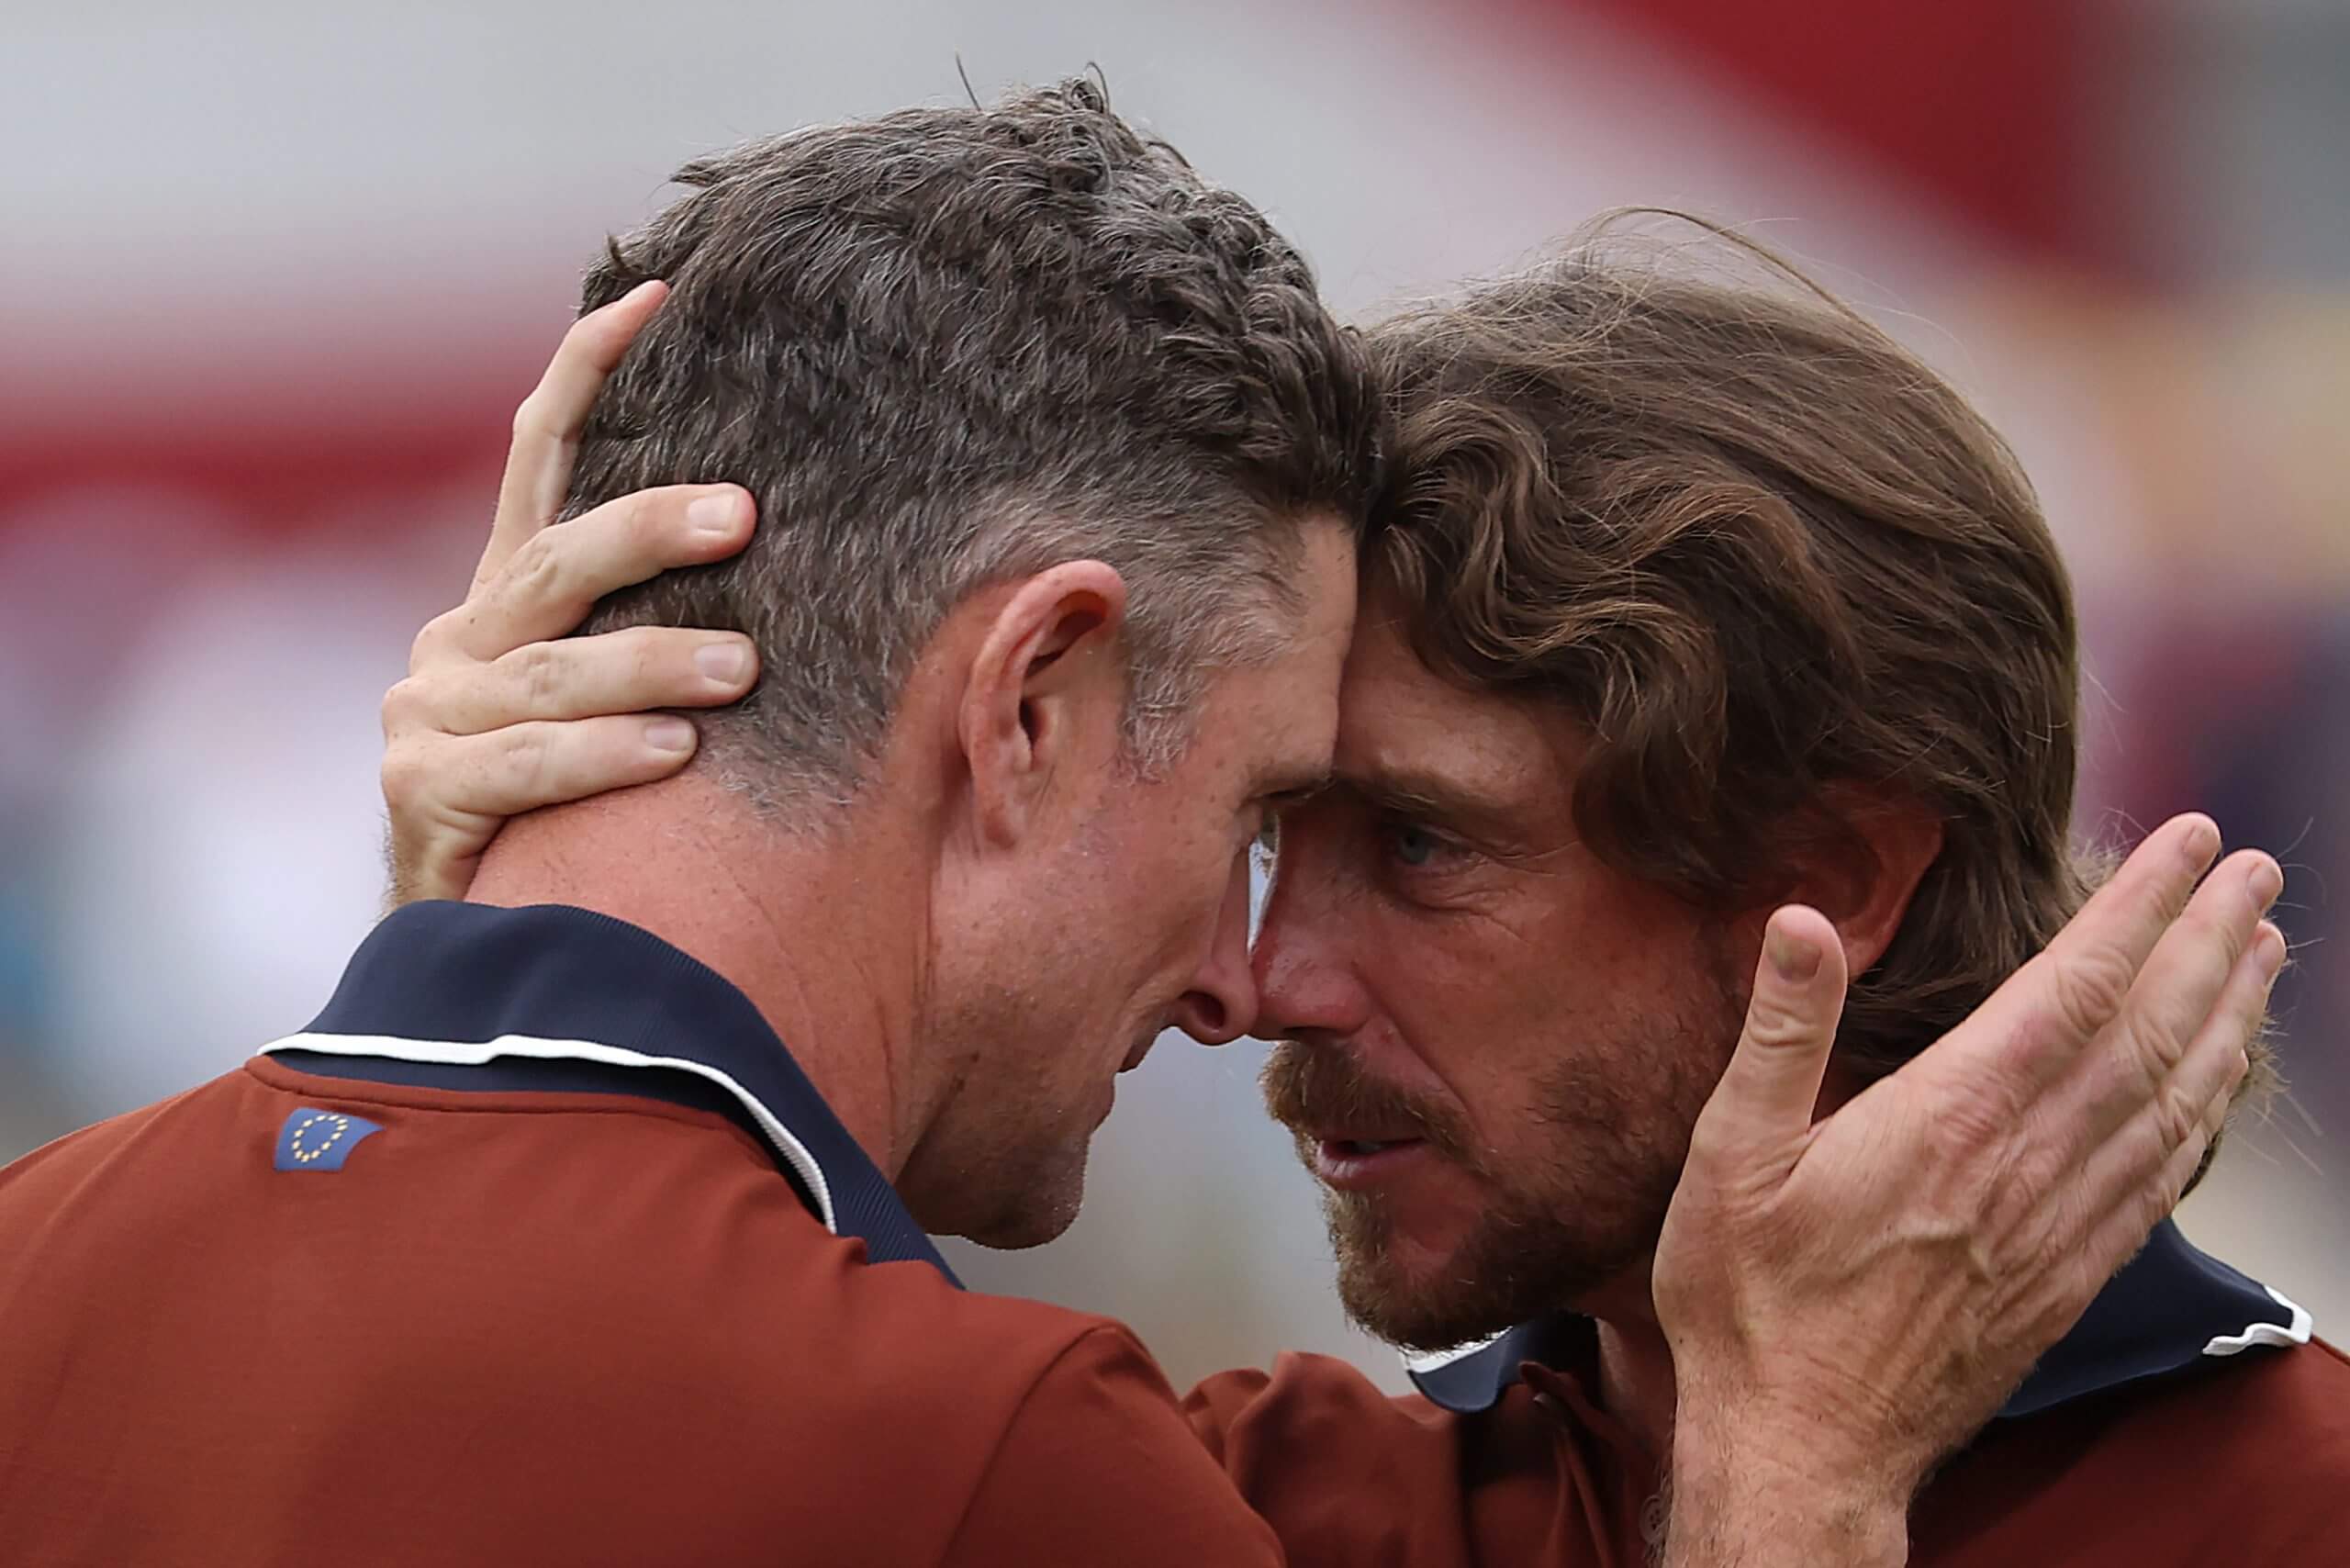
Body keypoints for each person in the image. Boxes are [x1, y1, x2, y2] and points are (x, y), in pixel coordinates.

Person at [0, 87, 2277, 1567]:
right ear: (1025, 703)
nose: (1252, 978)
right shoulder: (1094, 1478)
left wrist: (469, 1015)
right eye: (1271, 812)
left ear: (1834, 880)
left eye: (1404, 840)